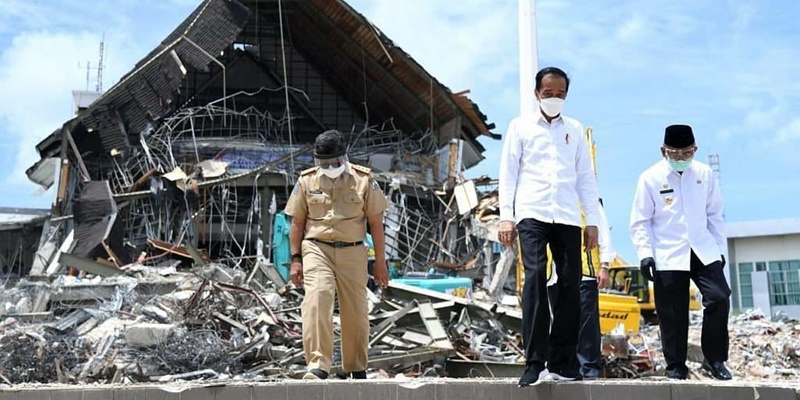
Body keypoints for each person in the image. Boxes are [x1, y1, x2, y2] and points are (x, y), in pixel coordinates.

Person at [498, 66, 601, 386]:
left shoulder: (574, 129)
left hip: (568, 217)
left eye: (560, 95)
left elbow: (585, 178)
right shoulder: (521, 127)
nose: (554, 99)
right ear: (536, 94)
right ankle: (533, 362)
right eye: (548, 93)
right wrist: (506, 216)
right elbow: (509, 173)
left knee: (571, 285)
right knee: (535, 281)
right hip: (532, 213)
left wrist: (593, 222)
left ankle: (563, 361)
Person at [285, 130, 390, 380]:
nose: (328, 167)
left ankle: (355, 366)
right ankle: (318, 364)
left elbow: (376, 224)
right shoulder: (306, 181)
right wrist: (295, 260)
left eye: (333, 162)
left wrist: (381, 263)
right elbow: (297, 223)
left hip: (353, 250)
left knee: (355, 308)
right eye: (323, 163)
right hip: (316, 248)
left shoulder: (364, 179)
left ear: (344, 156)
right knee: (317, 298)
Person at [629, 124, 731, 380]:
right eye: (676, 154)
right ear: (663, 151)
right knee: (672, 312)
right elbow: (640, 220)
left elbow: (714, 215)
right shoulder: (650, 178)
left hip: (702, 248)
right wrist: (645, 253)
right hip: (668, 250)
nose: (682, 159)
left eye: (687, 153)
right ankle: (675, 365)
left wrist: (719, 249)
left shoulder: (704, 174)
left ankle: (714, 358)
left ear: (694, 150)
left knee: (719, 297)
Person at [546, 199, 614, 380]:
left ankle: (589, 369)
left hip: (584, 272)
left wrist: (605, 265)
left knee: (586, 325)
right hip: (554, 275)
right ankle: (566, 367)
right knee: (561, 323)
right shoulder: (550, 199)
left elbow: (604, 232)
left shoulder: (587, 200)